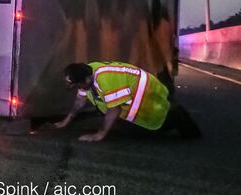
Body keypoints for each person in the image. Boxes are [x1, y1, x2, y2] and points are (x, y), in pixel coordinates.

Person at [54, 61, 201, 142]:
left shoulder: (106, 79)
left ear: (86, 79)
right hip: (135, 99)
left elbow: (114, 110)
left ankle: (176, 117)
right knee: (121, 128)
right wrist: (65, 122)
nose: (77, 89)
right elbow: (79, 101)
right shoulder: (87, 75)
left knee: (140, 133)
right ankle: (172, 115)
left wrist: (99, 134)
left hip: (148, 97)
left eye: (77, 85)